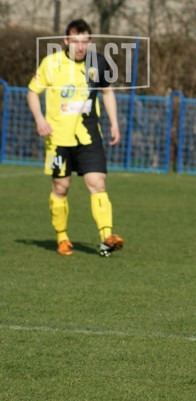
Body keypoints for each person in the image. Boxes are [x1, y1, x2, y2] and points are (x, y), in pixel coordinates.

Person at [27, 18, 124, 257]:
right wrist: (40, 119)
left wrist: (114, 123)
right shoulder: (51, 63)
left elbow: (107, 92)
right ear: (66, 41)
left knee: (97, 182)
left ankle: (107, 237)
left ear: (90, 42)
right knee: (61, 187)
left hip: (88, 134)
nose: (80, 47)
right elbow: (32, 93)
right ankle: (62, 237)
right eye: (75, 42)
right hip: (57, 137)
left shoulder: (98, 63)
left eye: (84, 42)